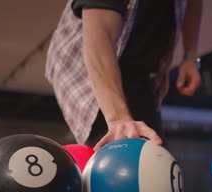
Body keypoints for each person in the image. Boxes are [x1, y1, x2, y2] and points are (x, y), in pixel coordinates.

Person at [45, 0, 202, 150]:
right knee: (119, 143)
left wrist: (190, 56)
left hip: (138, 72)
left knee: (154, 151)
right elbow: (101, 39)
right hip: (86, 67)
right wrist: (118, 120)